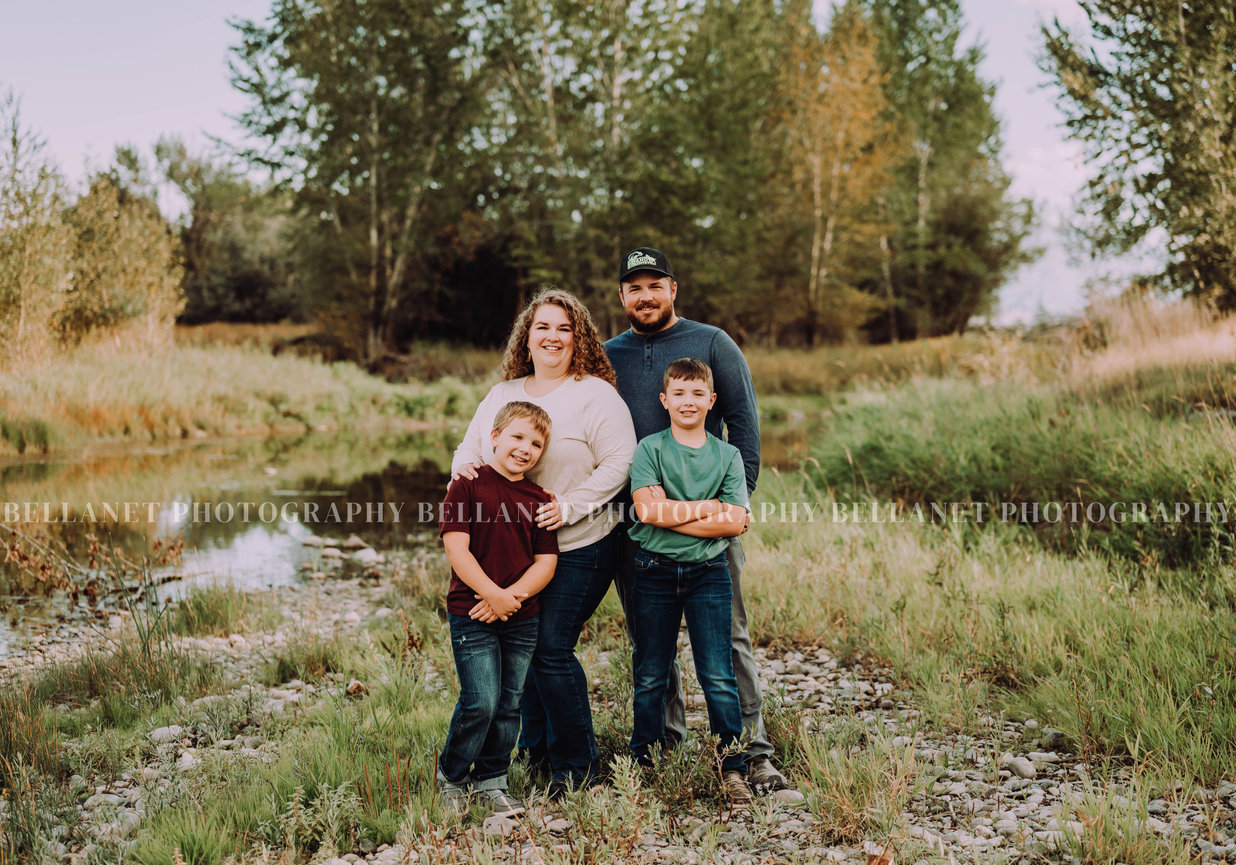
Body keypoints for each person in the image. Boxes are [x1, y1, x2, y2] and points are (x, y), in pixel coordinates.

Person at [604, 247, 803, 801]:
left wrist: (735, 504)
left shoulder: (713, 343)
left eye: (655, 284)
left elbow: (743, 421)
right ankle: (664, 747)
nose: (645, 295)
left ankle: (752, 753)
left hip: (713, 524)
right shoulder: (606, 354)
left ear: (674, 289)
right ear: (622, 296)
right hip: (638, 526)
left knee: (729, 640)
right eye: (634, 287)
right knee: (651, 643)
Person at [452, 288, 636, 796]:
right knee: (524, 650)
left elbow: (621, 462)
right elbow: (468, 452)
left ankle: (578, 768)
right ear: (526, 337)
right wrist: (461, 469)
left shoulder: (595, 393)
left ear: (579, 339)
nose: (552, 337)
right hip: (515, 553)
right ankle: (534, 753)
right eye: (543, 327)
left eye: (564, 328)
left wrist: (571, 505)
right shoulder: (502, 394)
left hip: (582, 542)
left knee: (551, 649)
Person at [628, 358, 754, 805]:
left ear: (711, 401)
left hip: (709, 575)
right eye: (679, 393)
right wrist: (709, 508)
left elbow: (736, 521)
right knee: (650, 673)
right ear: (664, 400)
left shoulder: (728, 455)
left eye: (697, 393)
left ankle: (732, 767)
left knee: (717, 674)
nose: (688, 401)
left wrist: (672, 513)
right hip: (653, 572)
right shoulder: (650, 449)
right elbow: (646, 512)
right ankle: (643, 763)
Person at [437, 401, 559, 817]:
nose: (525, 448)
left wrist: (512, 598)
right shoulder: (467, 485)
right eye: (517, 437)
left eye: (536, 443)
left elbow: (546, 563)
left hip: (521, 618)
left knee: (509, 704)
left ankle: (492, 779)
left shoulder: (540, 499)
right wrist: (491, 593)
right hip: (471, 614)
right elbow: (457, 547)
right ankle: (451, 776)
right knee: (481, 701)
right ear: (494, 437)